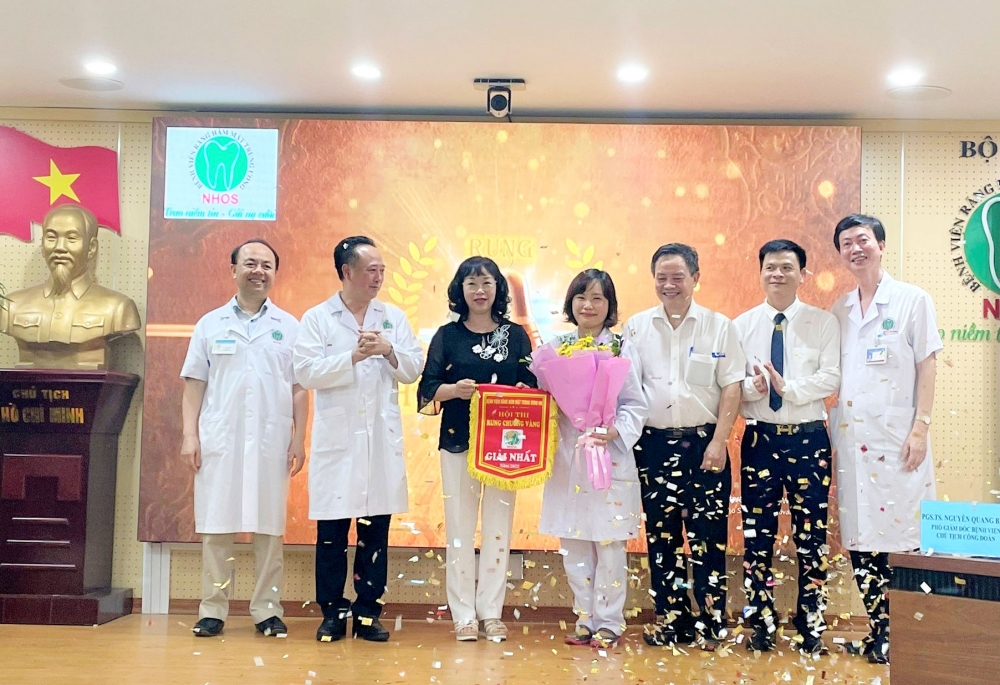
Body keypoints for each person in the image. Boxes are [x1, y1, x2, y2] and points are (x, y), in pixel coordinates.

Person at [293, 236, 424, 643]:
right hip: (338, 441)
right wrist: (352, 356)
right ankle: (333, 612)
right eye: (371, 270)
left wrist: (387, 350)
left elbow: (413, 369)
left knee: (375, 532)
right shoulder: (318, 318)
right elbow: (306, 372)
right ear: (346, 271)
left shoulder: (393, 317)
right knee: (332, 533)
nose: (378, 277)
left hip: (379, 443)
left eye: (382, 270)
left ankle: (368, 612)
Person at [180, 238, 306, 639]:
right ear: (233, 269)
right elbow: (194, 384)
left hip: (271, 441)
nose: (258, 271)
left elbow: (299, 388)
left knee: (269, 531)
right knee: (217, 529)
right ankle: (212, 610)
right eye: (250, 263)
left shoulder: (289, 327)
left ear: (275, 273)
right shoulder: (210, 324)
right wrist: (189, 435)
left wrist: (299, 438)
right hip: (221, 440)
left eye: (267, 265)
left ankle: (267, 610)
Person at [830, 215, 941, 665]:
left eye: (863, 240)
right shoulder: (840, 309)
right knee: (861, 540)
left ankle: (903, 633)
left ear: (880, 244)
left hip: (899, 443)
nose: (855, 249)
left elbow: (927, 365)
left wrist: (921, 427)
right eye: (846, 243)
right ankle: (878, 627)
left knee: (902, 539)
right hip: (853, 444)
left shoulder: (913, 300)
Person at [624, 243, 746, 651]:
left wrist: (719, 442)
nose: (669, 285)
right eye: (661, 278)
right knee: (661, 538)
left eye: (678, 277)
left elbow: (732, 387)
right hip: (653, 446)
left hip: (704, 444)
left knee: (708, 537)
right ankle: (671, 621)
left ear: (695, 278)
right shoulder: (637, 328)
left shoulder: (719, 326)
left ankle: (712, 623)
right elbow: (628, 389)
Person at [417, 256, 536, 642]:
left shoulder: (516, 335)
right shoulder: (447, 336)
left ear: (498, 288)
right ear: (460, 290)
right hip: (458, 441)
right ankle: (463, 614)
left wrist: (524, 391)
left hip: (505, 447)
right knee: (460, 529)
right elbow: (427, 389)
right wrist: (454, 390)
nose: (480, 291)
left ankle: (491, 612)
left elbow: (532, 382)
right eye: (471, 284)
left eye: (487, 283)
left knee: (499, 529)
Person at [733, 239, 840, 654]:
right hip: (759, 438)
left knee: (811, 537)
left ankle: (810, 624)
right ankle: (761, 623)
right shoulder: (741, 325)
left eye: (786, 267)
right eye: (770, 267)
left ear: (802, 274)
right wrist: (753, 388)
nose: (777, 274)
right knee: (757, 535)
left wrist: (786, 387)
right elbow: (731, 386)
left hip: (809, 438)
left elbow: (831, 377)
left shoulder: (823, 322)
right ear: (760, 273)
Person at [533, 269, 647, 649]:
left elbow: (635, 404)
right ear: (571, 303)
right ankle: (584, 617)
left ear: (609, 305)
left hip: (609, 456)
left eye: (598, 298)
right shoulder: (556, 349)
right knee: (575, 542)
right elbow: (546, 400)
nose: (589, 305)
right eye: (582, 297)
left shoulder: (622, 348)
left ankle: (610, 622)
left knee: (609, 542)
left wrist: (614, 432)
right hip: (569, 457)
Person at [0, 204, 141, 368]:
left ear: (91, 248)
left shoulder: (118, 308)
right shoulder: (11, 306)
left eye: (71, 238)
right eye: (51, 238)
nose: (59, 247)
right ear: (43, 246)